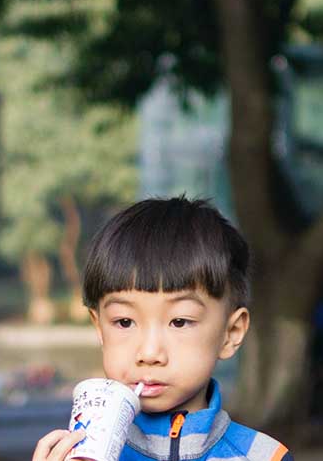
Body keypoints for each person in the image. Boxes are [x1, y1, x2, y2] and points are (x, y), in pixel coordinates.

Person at [32, 197, 292, 461]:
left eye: (179, 321)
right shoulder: (78, 455)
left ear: (231, 333)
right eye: (124, 322)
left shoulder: (263, 456)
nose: (149, 353)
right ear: (99, 328)